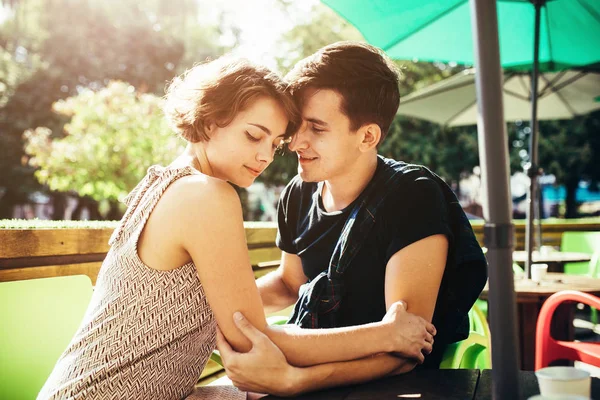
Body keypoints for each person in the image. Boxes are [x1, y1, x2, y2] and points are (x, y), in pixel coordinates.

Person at [37, 55, 436, 400]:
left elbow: (230, 311)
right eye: (253, 136)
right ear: (209, 121)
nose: (266, 155)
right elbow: (253, 340)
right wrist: (385, 335)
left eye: (276, 142)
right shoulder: (207, 195)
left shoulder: (166, 182)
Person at [217, 42, 488, 395]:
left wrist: (294, 381)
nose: (296, 141)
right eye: (297, 124)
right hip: (308, 368)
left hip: (392, 388)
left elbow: (406, 348)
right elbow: (289, 284)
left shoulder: (412, 195)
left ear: (367, 136)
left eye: (316, 127)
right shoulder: (298, 193)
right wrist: (217, 308)